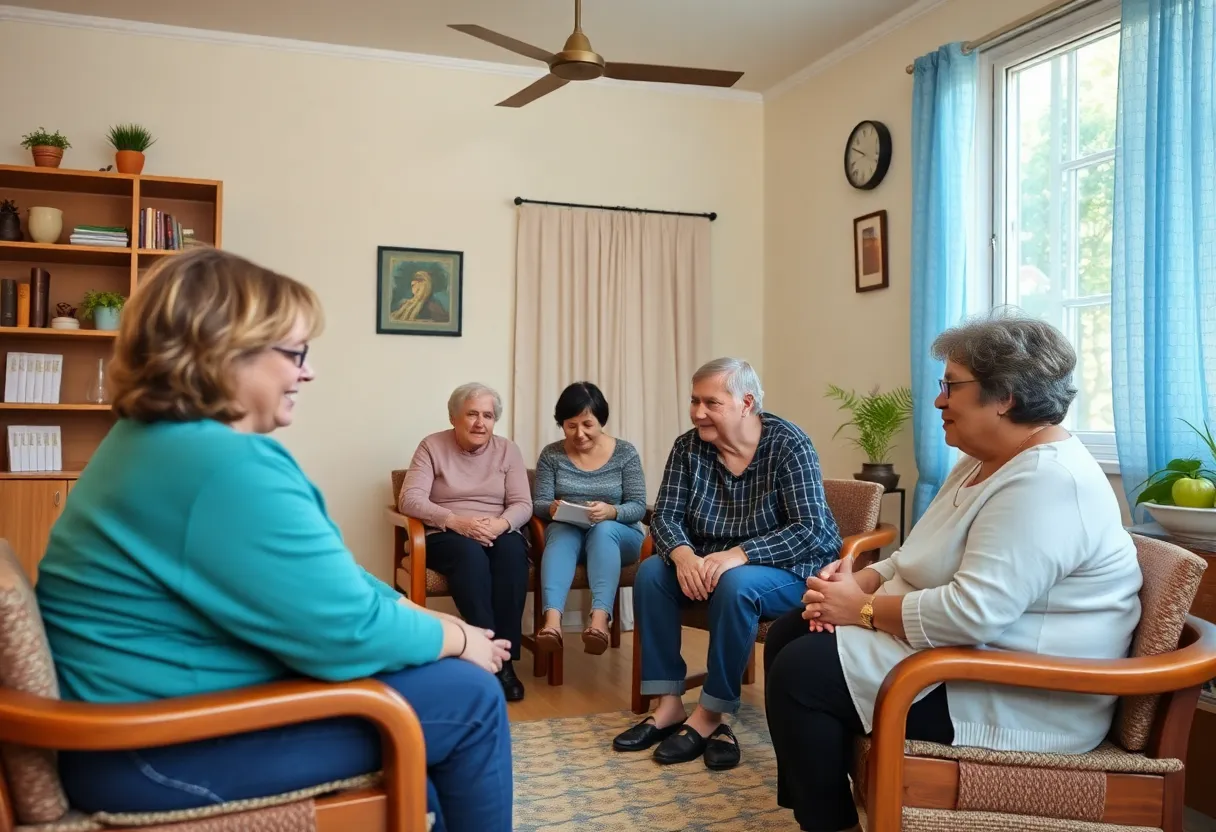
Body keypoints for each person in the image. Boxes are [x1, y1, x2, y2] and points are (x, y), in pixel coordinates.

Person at [34, 247, 513, 832]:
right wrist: (458, 638)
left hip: (138, 729)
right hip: (153, 748)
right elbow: (348, 633)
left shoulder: (154, 442)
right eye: (295, 353)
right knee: (469, 699)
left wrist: (423, 617)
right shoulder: (222, 466)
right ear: (223, 352)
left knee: (435, 690)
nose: (307, 372)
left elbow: (334, 581)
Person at [763, 314, 1142, 832]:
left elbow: (973, 612)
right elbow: (917, 554)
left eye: (951, 385)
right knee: (792, 630)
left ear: (1004, 395)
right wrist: (863, 580)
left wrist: (862, 608)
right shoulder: (982, 460)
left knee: (802, 673)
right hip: (962, 655)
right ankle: (823, 807)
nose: (939, 400)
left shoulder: (1047, 482)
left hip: (1019, 691)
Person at [612, 357, 843, 771]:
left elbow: (813, 531)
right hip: (709, 562)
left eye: (711, 403)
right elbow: (664, 515)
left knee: (737, 585)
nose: (698, 412)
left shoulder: (789, 444)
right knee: (651, 574)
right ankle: (668, 706)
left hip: (790, 569)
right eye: (694, 401)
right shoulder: (688, 447)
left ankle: (711, 715)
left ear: (746, 402)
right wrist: (682, 556)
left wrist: (738, 555)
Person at [399, 382, 532, 701]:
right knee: (469, 554)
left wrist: (500, 525)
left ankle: (506, 660)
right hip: (446, 534)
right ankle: (485, 655)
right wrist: (457, 522)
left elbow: (522, 503)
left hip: (495, 530)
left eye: (487, 415)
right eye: (471, 414)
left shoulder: (507, 449)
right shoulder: (431, 446)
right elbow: (409, 499)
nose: (479, 423)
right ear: (453, 417)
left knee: (513, 551)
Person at [532, 381, 647, 655]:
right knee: (560, 531)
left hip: (619, 536)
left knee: (603, 530)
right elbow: (538, 503)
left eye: (587, 425)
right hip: (571, 532)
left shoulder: (625, 453)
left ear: (601, 421)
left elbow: (638, 506)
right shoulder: (552, 454)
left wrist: (611, 511)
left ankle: (599, 621)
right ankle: (552, 623)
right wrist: (552, 508)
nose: (579, 434)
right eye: (571, 426)